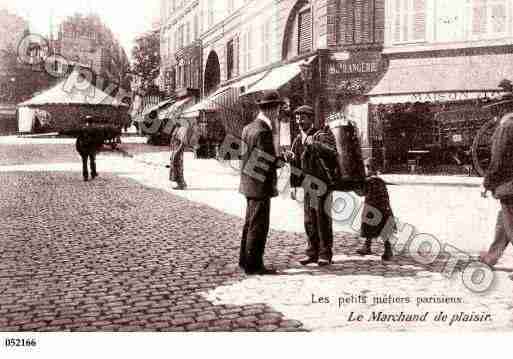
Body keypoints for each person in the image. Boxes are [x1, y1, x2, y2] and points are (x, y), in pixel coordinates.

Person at [285, 105, 338, 266]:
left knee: (322, 219)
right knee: (309, 220)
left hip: (322, 183)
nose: (299, 121)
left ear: (310, 119)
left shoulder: (321, 135)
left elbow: (332, 152)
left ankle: (325, 253)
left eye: (302, 118)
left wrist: (312, 144)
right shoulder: (296, 139)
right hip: (307, 185)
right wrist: (294, 185)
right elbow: (295, 165)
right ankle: (312, 252)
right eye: (297, 118)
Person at [239, 90, 285, 275]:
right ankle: (254, 265)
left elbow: (246, 156)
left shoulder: (248, 128)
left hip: (248, 183)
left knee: (249, 223)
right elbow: (265, 161)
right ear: (272, 110)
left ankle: (244, 260)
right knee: (259, 225)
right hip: (260, 186)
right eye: (278, 108)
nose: (278, 112)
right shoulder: (264, 131)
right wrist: (280, 160)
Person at [480, 109, 513, 267]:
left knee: (511, 223)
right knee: (504, 222)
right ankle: (491, 257)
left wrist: (487, 183)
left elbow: (497, 160)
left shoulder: (506, 127)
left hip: (510, 186)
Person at [75, 115, 103, 182]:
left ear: (86, 121)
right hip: (92, 148)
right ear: (92, 121)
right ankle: (93, 173)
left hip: (84, 148)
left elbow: (78, 139)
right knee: (92, 160)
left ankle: (85, 176)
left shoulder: (83, 128)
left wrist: (78, 148)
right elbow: (99, 139)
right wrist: (98, 147)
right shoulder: (95, 129)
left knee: (84, 162)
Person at [168, 122, 189, 190]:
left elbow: (182, 142)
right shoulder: (177, 128)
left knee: (178, 167)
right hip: (175, 150)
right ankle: (181, 183)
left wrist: (177, 151)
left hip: (178, 150)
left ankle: (181, 184)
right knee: (175, 166)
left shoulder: (182, 129)